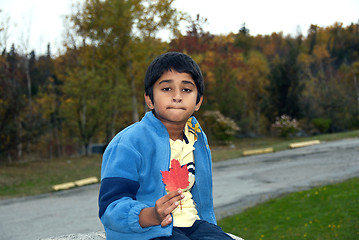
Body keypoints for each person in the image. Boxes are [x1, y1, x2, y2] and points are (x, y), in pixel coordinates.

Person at [98, 52, 234, 240]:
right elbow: (110, 207)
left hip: (192, 224)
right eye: (167, 89)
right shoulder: (129, 143)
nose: (177, 97)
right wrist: (151, 215)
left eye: (186, 90)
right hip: (147, 230)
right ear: (149, 99)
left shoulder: (196, 138)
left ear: (198, 101)